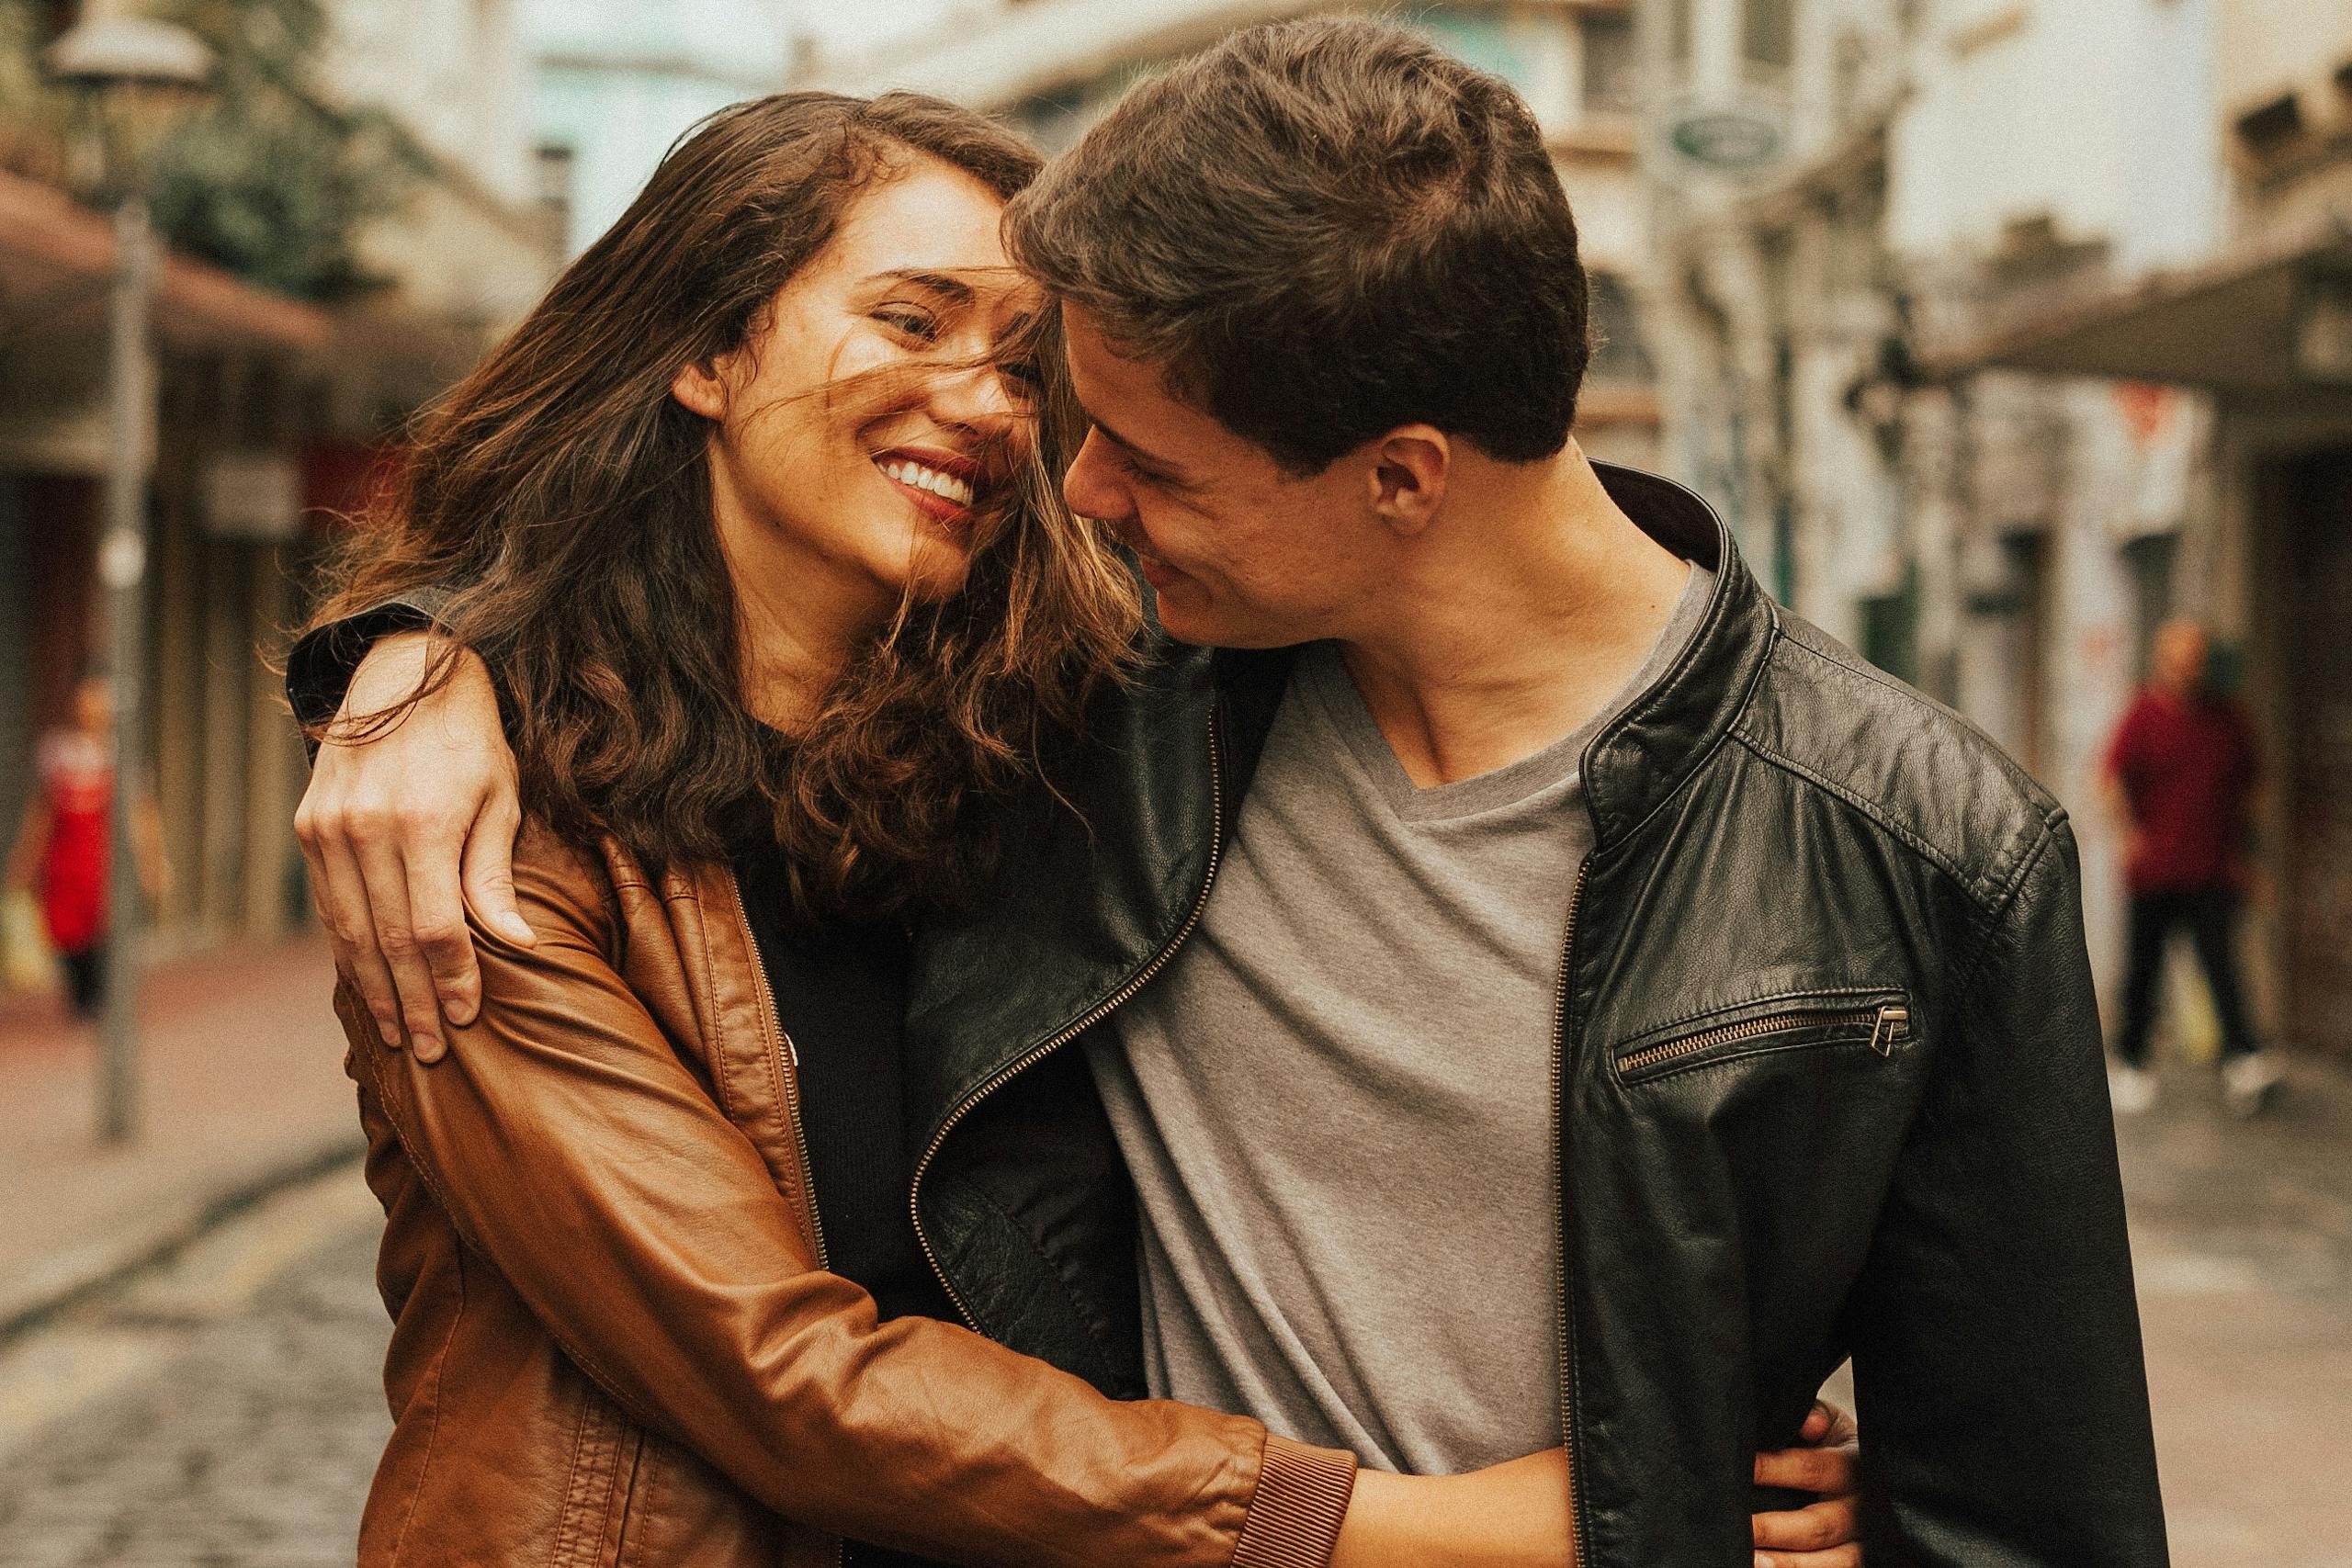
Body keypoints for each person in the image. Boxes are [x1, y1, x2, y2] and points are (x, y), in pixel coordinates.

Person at [296, 19, 2162, 1565]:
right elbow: (782, 1367)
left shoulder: (1911, 850)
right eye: (915, 323)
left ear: (1398, 482)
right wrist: (409, 663)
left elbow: (2019, 1496)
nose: (1055, 466)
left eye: (1067, 397)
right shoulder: (1075, 721)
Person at [2102, 617, 2277, 1116]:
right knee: (2143, 970)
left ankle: (2244, 1063)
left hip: (2213, 871)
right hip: (2154, 872)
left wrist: (2251, 857)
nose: (2188, 665)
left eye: (2195, 655)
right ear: (2163, 660)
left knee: (2222, 968)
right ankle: (2132, 1062)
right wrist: (2128, 836)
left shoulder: (2228, 719)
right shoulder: (2145, 715)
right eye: (2179, 655)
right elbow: (2109, 778)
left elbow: (2253, 791)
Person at [6, 674, 165, 1018]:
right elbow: (42, 813)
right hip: (66, 863)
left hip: (105, 864)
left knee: (104, 932)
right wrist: (24, 860)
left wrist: (152, 861)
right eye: (87, 701)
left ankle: (97, 1001)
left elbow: (141, 814)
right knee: (65, 931)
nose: (93, 710)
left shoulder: (124, 755)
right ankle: (80, 996)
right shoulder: (57, 751)